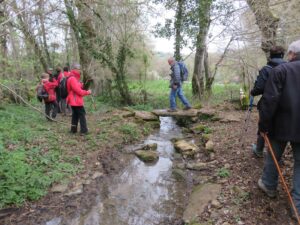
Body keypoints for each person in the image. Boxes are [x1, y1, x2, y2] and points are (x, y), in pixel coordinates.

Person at [258, 40, 300, 217]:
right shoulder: (281, 70)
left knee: (274, 155)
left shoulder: (281, 70)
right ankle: (297, 204)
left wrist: (263, 126)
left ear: (291, 54)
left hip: (281, 125)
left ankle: (269, 185)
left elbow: (269, 100)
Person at [250, 46, 286, 157]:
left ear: (270, 56)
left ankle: (259, 150)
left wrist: (252, 92)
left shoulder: (266, 69)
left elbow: (259, 88)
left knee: (264, 123)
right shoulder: (288, 67)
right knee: (281, 125)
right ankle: (278, 154)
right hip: (286, 103)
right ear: (282, 55)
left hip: (268, 102)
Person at [67, 63, 91, 135]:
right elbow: (78, 91)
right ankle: (84, 131)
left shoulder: (73, 78)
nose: (80, 70)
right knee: (82, 114)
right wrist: (87, 92)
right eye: (78, 69)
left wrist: (81, 84)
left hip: (74, 100)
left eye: (79, 69)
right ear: (75, 69)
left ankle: (73, 130)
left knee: (75, 115)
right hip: (76, 100)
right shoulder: (72, 78)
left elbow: (76, 87)